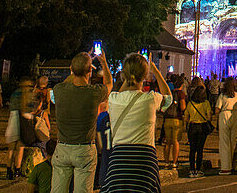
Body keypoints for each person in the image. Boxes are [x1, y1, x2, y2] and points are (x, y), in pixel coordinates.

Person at [102, 53, 170, 193]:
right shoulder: (151, 99)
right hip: (144, 161)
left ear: (123, 75)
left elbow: (116, 90)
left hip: (119, 161)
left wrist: (125, 78)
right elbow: (168, 98)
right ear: (145, 76)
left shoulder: (113, 99)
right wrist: (155, 71)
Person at [51, 49, 112, 193]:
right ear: (90, 71)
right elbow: (109, 84)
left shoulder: (59, 89)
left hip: (62, 147)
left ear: (71, 70)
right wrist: (103, 62)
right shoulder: (94, 92)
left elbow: (69, 80)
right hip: (84, 148)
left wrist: (79, 64)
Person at [184, 85, 213, 178]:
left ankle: (191, 169)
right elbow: (209, 117)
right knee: (200, 149)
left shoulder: (190, 104)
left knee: (192, 149)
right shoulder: (206, 103)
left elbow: (186, 118)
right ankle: (198, 169)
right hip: (202, 126)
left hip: (192, 126)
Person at [215, 77, 237, 175]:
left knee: (224, 142)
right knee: (233, 141)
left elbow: (217, 109)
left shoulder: (222, 96)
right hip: (235, 115)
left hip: (224, 115)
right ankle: (232, 163)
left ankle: (226, 167)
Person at [159, 74, 184, 171]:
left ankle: (166, 162)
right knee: (175, 142)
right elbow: (183, 107)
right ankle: (174, 162)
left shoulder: (169, 94)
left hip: (167, 119)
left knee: (167, 143)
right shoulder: (180, 93)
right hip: (176, 119)